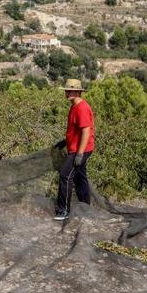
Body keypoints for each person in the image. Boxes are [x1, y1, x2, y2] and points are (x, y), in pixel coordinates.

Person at [54, 79, 95, 221]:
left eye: (70, 90)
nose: (67, 93)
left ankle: (63, 210)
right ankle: (85, 206)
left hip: (81, 149)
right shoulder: (74, 106)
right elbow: (76, 130)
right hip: (76, 148)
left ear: (78, 92)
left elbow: (86, 131)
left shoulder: (82, 108)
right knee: (80, 177)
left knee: (66, 176)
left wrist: (80, 153)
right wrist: (65, 142)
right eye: (66, 90)